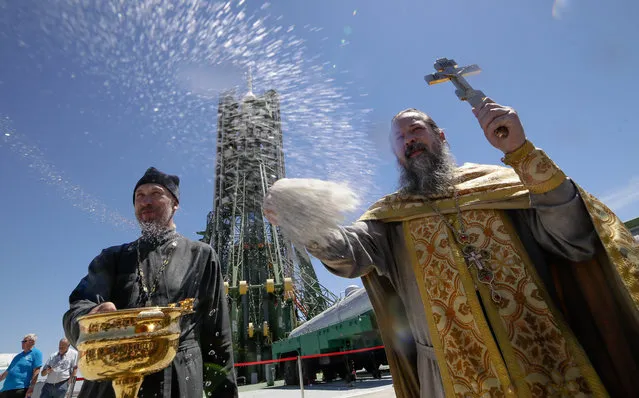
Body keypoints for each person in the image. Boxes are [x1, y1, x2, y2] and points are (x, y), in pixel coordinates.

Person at [264, 99, 639, 397]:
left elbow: (573, 241)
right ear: (396, 154)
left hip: (548, 359)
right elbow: (348, 254)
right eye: (400, 138)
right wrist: (302, 218)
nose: (409, 139)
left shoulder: (499, 184)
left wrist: (521, 152)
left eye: (417, 129)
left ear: (440, 135)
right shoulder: (389, 217)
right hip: (450, 375)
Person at [63, 167, 237, 398]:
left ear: (175, 204)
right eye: (139, 196)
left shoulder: (200, 256)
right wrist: (92, 315)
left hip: (177, 380)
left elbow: (217, 335)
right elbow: (77, 307)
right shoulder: (112, 258)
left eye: (156, 193)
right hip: (111, 381)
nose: (146, 201)